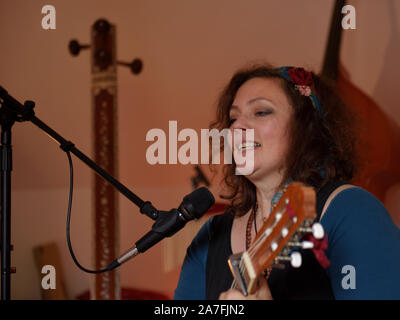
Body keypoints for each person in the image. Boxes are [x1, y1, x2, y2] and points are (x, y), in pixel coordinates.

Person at [173, 64, 400, 300]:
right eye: (232, 118)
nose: (237, 127)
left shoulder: (352, 210)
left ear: (305, 128)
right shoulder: (212, 235)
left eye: (261, 112)